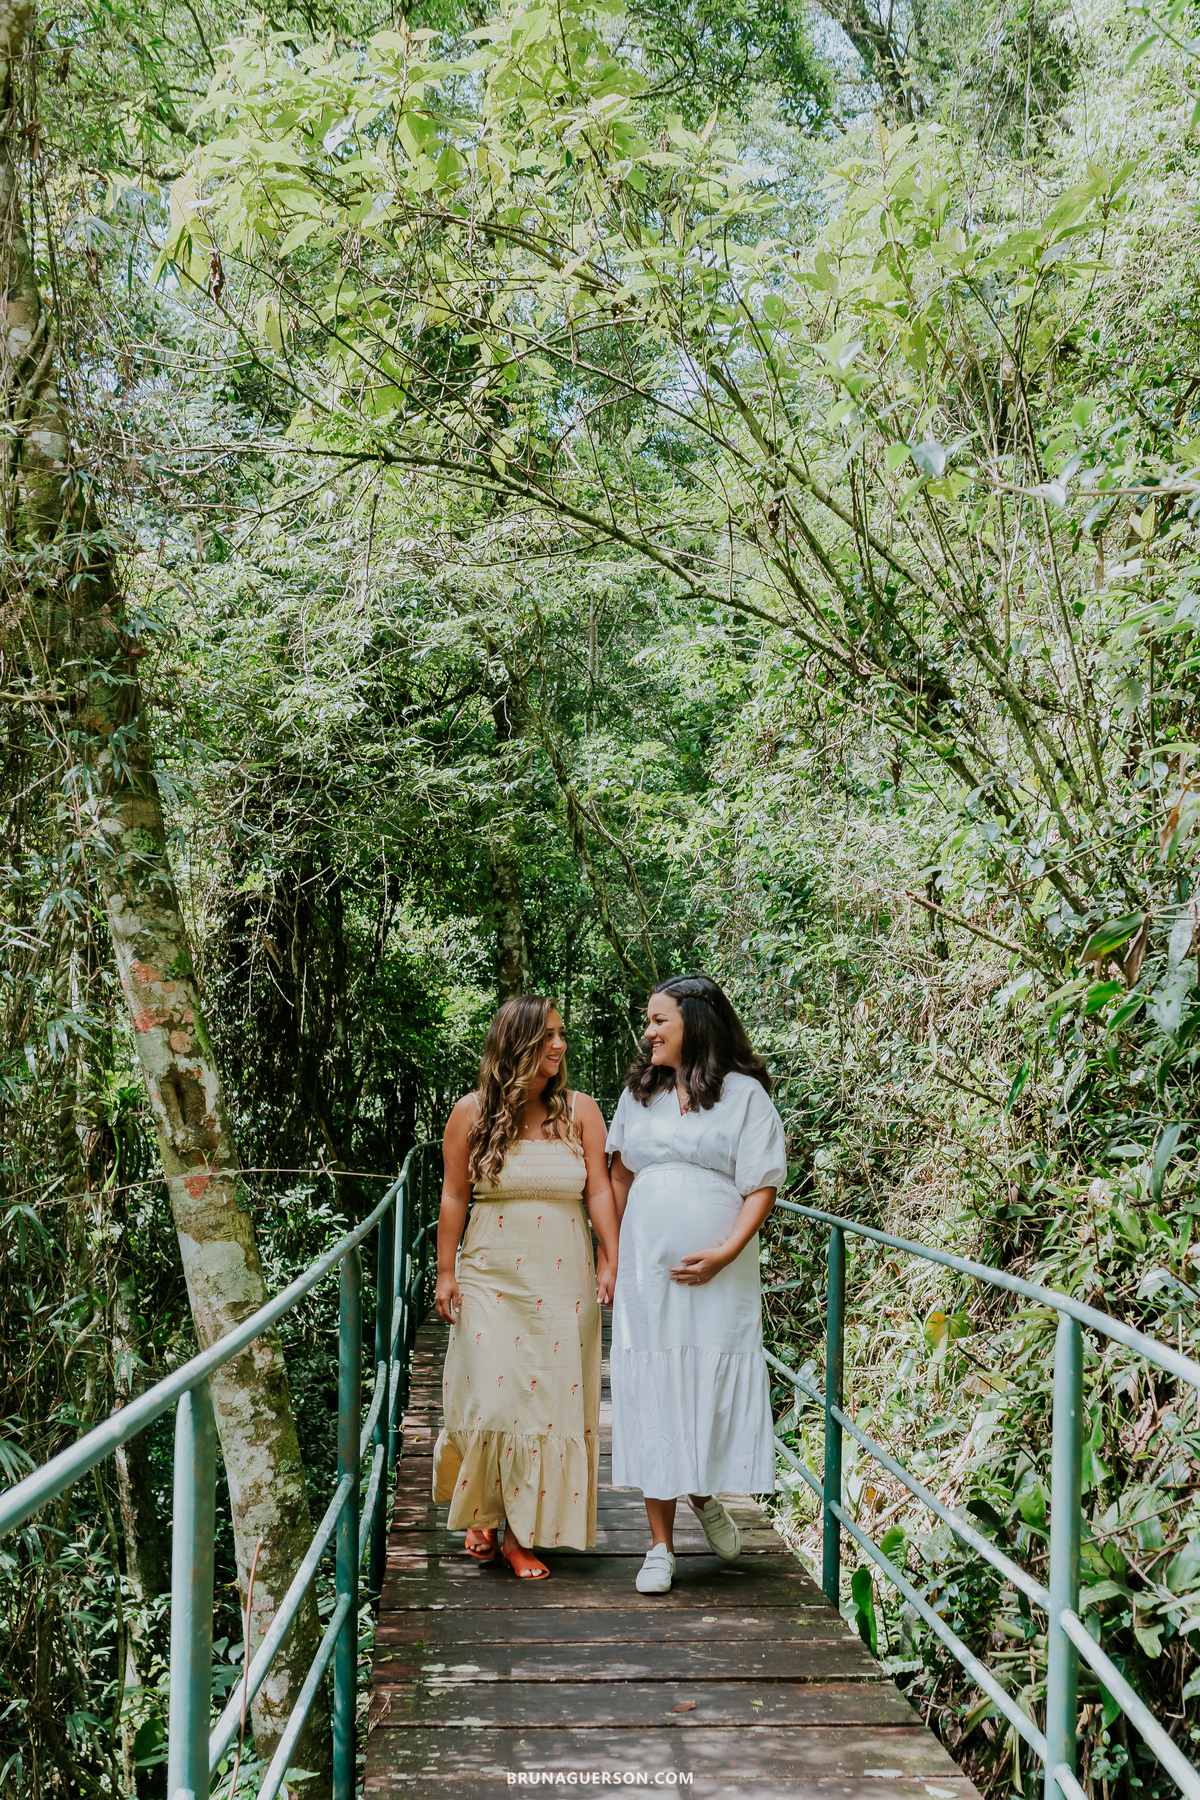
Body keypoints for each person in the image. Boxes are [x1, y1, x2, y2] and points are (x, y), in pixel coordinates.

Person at [607, 973, 786, 1594]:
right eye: (648, 1021)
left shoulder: (744, 1096)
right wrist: (621, 1250)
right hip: (647, 1269)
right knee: (655, 1383)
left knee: (704, 1386)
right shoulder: (639, 1093)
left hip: (720, 1269)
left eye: (659, 1021)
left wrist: (725, 1252)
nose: (648, 1031)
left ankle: (704, 1493)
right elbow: (620, 1178)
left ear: (695, 1024)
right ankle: (660, 1546)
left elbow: (761, 1183)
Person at [432, 996, 619, 1578]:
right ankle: (483, 1512)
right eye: (548, 1038)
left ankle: (518, 1532)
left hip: (563, 1278)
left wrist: (611, 1258)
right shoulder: (470, 1113)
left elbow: (598, 1192)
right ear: (516, 1046)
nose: (561, 1047)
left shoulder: (582, 1111)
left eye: (562, 1035)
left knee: (547, 1401)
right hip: (491, 1274)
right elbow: (454, 1196)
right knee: (494, 1396)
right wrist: (444, 1270)